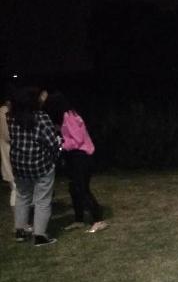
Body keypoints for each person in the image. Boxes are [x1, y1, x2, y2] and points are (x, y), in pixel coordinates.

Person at [46, 93, 108, 233]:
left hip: (82, 155)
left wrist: (61, 145)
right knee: (74, 188)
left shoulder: (69, 117)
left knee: (82, 188)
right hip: (75, 156)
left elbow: (78, 140)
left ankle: (98, 220)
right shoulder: (67, 116)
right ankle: (79, 219)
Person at [8, 87, 61, 246]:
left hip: (19, 164)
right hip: (40, 164)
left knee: (22, 196)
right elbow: (52, 142)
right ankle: (40, 236)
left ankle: (20, 231)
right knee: (42, 200)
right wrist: (57, 151)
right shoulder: (41, 117)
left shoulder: (11, 118)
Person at [0, 97, 16, 207]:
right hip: (10, 155)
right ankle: (19, 217)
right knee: (16, 190)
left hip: (6, 154)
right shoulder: (4, 113)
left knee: (14, 188)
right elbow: (7, 136)